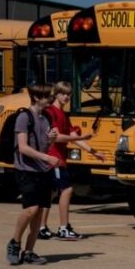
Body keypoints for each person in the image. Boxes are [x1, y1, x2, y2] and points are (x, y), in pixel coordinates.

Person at [38, 81, 104, 240]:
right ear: (56, 93)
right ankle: (63, 228)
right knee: (66, 190)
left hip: (58, 158)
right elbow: (57, 137)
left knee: (51, 192)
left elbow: (73, 137)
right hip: (54, 158)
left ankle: (41, 228)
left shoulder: (63, 115)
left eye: (69, 94)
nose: (66, 97)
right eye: (63, 94)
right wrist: (82, 137)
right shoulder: (50, 112)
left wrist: (93, 152)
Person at [6, 85, 59, 265]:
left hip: (43, 170)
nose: (50, 99)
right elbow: (23, 147)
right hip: (25, 169)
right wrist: (47, 158)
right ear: (36, 97)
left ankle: (29, 251)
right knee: (31, 209)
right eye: (47, 96)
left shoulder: (47, 117)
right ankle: (15, 242)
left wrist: (51, 138)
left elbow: (44, 144)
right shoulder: (24, 117)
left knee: (40, 211)